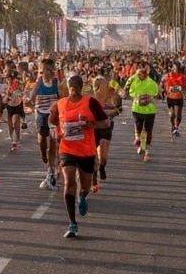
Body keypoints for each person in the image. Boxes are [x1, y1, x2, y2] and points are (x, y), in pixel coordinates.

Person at [48, 74, 111, 238]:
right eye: (70, 88)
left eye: (75, 88)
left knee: (85, 186)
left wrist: (89, 124)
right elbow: (53, 120)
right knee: (69, 182)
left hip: (86, 151)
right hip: (67, 149)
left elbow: (106, 122)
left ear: (81, 88)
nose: (73, 91)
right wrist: (59, 126)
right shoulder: (61, 103)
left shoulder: (90, 102)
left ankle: (82, 196)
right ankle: (72, 223)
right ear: (68, 88)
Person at [30, 59, 66, 188]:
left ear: (50, 70)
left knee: (52, 144)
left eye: (44, 70)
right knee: (42, 142)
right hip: (41, 113)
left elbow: (63, 98)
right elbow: (31, 98)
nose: (42, 72)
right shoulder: (38, 82)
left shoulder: (57, 82)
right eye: (40, 70)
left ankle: (50, 172)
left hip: (53, 116)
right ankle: (43, 155)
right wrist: (27, 102)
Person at [90, 76, 122, 188]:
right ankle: (94, 177)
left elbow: (119, 103)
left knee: (103, 156)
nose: (106, 85)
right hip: (94, 126)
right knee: (93, 154)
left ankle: (102, 166)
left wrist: (116, 109)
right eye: (104, 84)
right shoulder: (91, 97)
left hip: (107, 125)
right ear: (98, 87)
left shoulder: (111, 94)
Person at [125, 64, 160, 163]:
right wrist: (136, 96)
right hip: (137, 109)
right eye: (138, 75)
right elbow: (129, 90)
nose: (139, 77)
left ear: (145, 75)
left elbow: (156, 93)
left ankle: (146, 149)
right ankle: (140, 143)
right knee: (139, 128)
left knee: (148, 130)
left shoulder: (151, 83)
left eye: (141, 75)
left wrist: (149, 97)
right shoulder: (134, 80)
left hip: (149, 111)